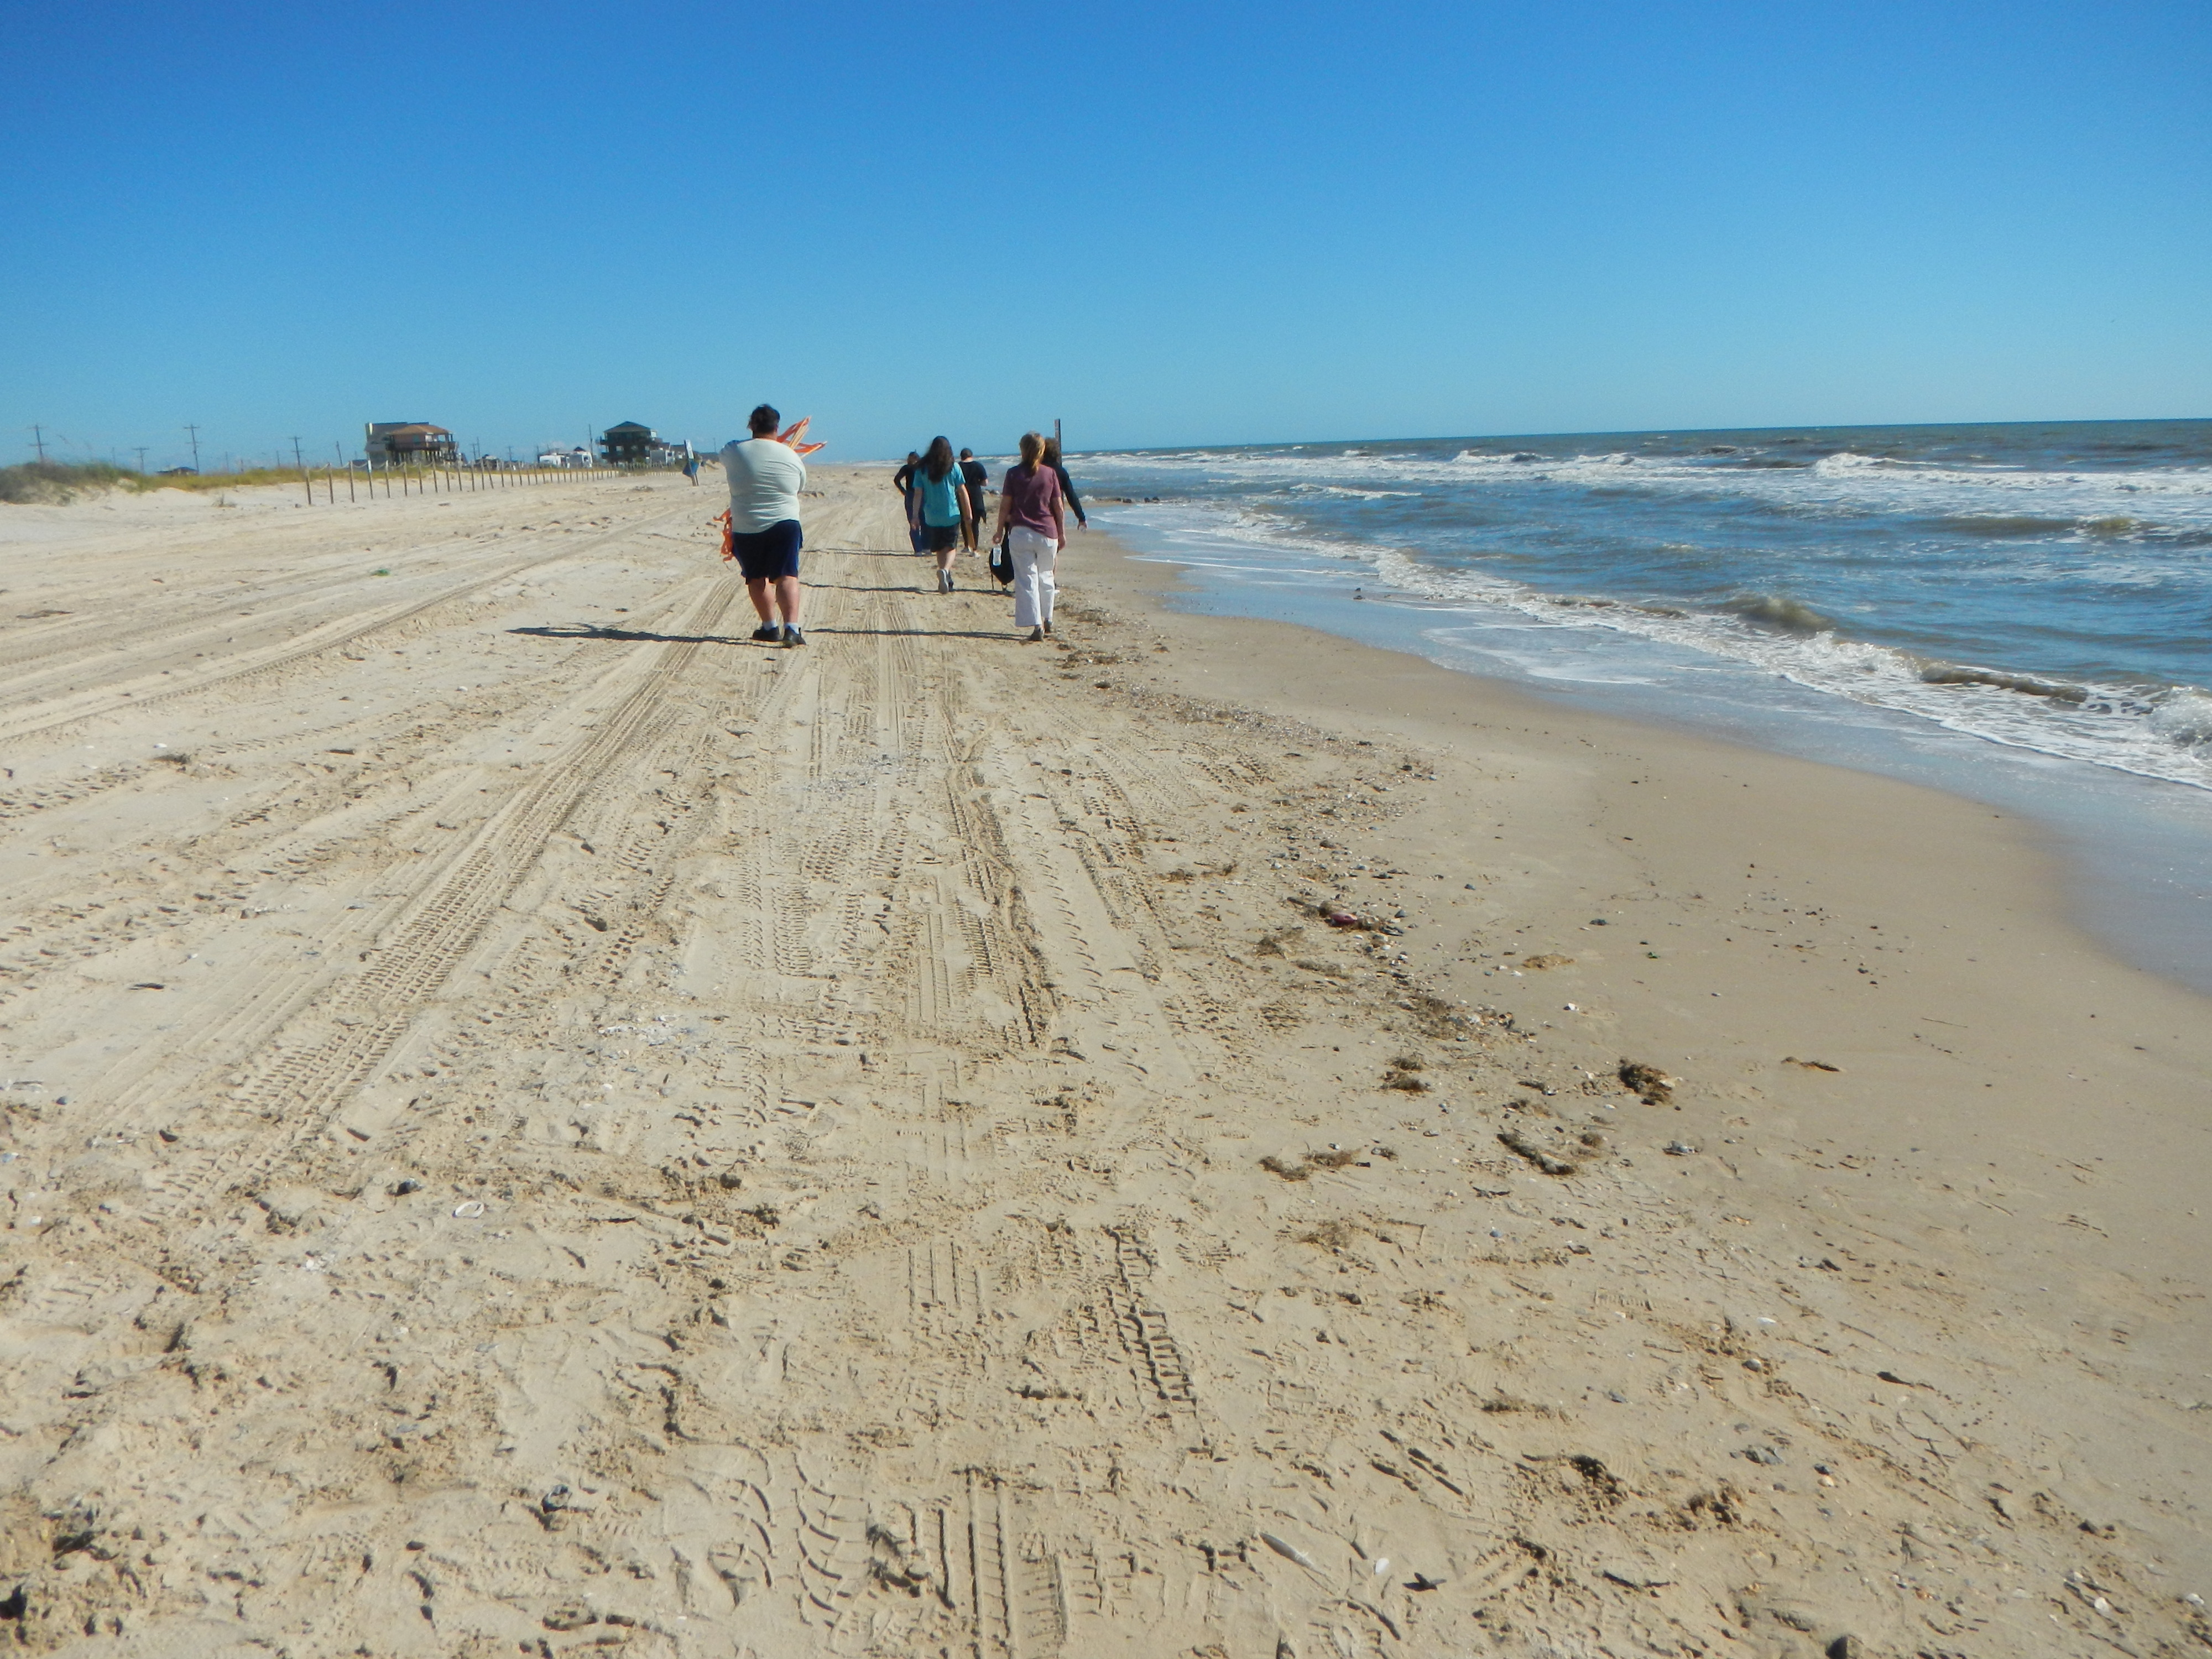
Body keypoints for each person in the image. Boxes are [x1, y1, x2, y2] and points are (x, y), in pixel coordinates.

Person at [718, 403, 820, 648]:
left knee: (756, 577)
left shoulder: (734, 450)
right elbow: (799, 487)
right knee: (787, 576)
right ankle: (792, 629)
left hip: (747, 524)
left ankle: (769, 627)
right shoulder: (791, 456)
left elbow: (725, 456)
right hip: (784, 522)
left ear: (751, 425)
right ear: (777, 427)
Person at [992, 431, 1065, 641]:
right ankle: (1048, 617)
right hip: (1047, 533)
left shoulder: (1013, 474)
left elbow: (1005, 505)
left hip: (1021, 532)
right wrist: (1062, 532)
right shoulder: (1050, 473)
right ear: (1042, 451)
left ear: (1022, 450)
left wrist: (999, 530)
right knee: (1047, 577)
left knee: (1027, 580)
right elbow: (1058, 506)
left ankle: (1037, 625)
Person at [908, 436, 974, 593]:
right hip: (951, 514)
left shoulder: (922, 469)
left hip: (931, 516)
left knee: (939, 548)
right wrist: (968, 513)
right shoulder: (953, 467)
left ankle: (946, 578)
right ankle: (945, 571)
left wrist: (915, 515)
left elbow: (918, 493)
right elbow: (962, 491)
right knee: (950, 547)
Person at [1040, 437, 1087, 531]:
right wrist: (1081, 518)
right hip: (1053, 516)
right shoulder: (1061, 472)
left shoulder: (1034, 470)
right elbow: (1071, 496)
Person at [957, 448, 989, 552]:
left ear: (961, 456)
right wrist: (977, 482)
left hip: (961, 496)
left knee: (964, 521)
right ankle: (974, 546)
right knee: (975, 522)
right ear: (971, 456)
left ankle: (967, 546)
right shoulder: (978, 466)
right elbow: (985, 483)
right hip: (976, 496)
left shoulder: (958, 467)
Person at [892, 451, 924, 554]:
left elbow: (897, 480)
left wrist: (903, 491)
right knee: (924, 521)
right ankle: (926, 547)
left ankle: (918, 549)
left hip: (910, 495)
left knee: (913, 521)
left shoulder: (907, 468)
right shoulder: (922, 468)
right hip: (923, 494)